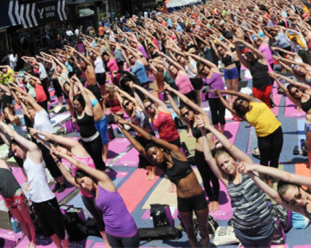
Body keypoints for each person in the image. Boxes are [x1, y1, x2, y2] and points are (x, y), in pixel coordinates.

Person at [116, 119, 210, 247]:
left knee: (204, 229)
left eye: (155, 153)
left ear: (161, 148)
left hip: (198, 198)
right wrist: (122, 129)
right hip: (183, 202)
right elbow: (139, 148)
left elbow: (149, 137)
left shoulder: (176, 152)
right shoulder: (163, 166)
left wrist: (129, 125)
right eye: (151, 157)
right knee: (189, 231)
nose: (154, 157)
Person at [238, 163, 311, 248]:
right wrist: (251, 175)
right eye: (292, 201)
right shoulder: (300, 208)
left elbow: (287, 176)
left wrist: (253, 167)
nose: (298, 201)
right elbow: (275, 196)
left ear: (300, 187)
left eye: (298, 195)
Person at [198, 121, 277, 247]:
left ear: (234, 158)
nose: (225, 167)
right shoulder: (226, 179)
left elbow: (229, 146)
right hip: (244, 232)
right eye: (221, 165)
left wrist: (209, 128)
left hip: (264, 228)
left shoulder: (249, 168)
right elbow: (208, 158)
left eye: (227, 161)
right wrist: (203, 133)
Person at [31, 128, 111, 247]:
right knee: (98, 220)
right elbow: (51, 146)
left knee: (108, 219)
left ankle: (115, 239)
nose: (58, 152)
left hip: (98, 191)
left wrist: (38, 132)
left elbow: (53, 138)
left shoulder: (77, 149)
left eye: (59, 149)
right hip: (85, 194)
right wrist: (38, 139)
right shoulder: (68, 159)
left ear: (64, 146)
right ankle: (107, 243)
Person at [0, 120, 69, 248]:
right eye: (13, 152)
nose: (15, 154)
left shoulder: (34, 152)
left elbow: (13, 134)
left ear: (22, 144)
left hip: (47, 199)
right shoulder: (24, 159)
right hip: (36, 201)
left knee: (60, 230)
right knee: (50, 232)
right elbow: (9, 140)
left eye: (15, 150)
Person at [52, 148, 140, 248]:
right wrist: (56, 160)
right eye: (81, 184)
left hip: (127, 231)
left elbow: (78, 164)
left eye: (84, 181)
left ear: (90, 176)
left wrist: (61, 154)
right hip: (111, 232)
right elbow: (69, 178)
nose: (83, 185)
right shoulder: (92, 191)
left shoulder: (104, 181)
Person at [164, 85, 221, 212]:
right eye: (183, 114)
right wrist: (168, 94)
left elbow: (188, 102)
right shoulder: (189, 122)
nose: (185, 115)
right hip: (199, 154)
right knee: (205, 178)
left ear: (192, 110)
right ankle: (211, 198)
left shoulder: (202, 115)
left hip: (211, 152)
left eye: (187, 112)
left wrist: (174, 90)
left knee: (213, 177)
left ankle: (216, 199)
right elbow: (175, 109)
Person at [216, 89, 283, 187]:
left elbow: (237, 93)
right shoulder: (244, 115)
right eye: (239, 106)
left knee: (275, 158)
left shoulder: (255, 101)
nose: (241, 105)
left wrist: (224, 91)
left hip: (277, 132)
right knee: (264, 160)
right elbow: (229, 108)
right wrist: (219, 96)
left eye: (241, 102)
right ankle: (264, 178)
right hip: (263, 137)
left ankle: (271, 178)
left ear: (245, 100)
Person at [272, 73, 311, 174]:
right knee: (310, 147)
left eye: (296, 90)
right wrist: (276, 80)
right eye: (294, 93)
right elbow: (285, 90)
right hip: (310, 124)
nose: (296, 93)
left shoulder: (308, 90)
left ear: (299, 88)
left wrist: (279, 76)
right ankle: (310, 165)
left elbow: (293, 82)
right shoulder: (298, 101)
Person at [0, 155, 36, 248]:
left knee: (27, 220)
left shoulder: (2, 164)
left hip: (17, 195)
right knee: (21, 221)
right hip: (7, 199)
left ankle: (33, 241)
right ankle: (30, 239)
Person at [236, 39, 274, 107]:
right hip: (256, 88)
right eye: (247, 55)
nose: (249, 55)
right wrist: (236, 45)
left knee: (267, 105)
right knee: (259, 106)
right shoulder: (249, 64)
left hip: (266, 86)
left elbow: (254, 49)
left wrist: (243, 42)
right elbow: (240, 57)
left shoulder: (261, 59)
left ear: (253, 52)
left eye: (249, 53)